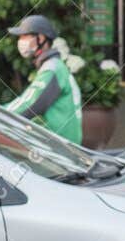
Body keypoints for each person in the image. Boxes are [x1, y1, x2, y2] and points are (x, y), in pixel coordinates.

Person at [5, 15, 83, 144]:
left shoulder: (52, 69)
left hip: (59, 150)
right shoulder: (54, 66)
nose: (20, 41)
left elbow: (27, 106)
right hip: (59, 145)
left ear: (40, 38)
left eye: (25, 36)